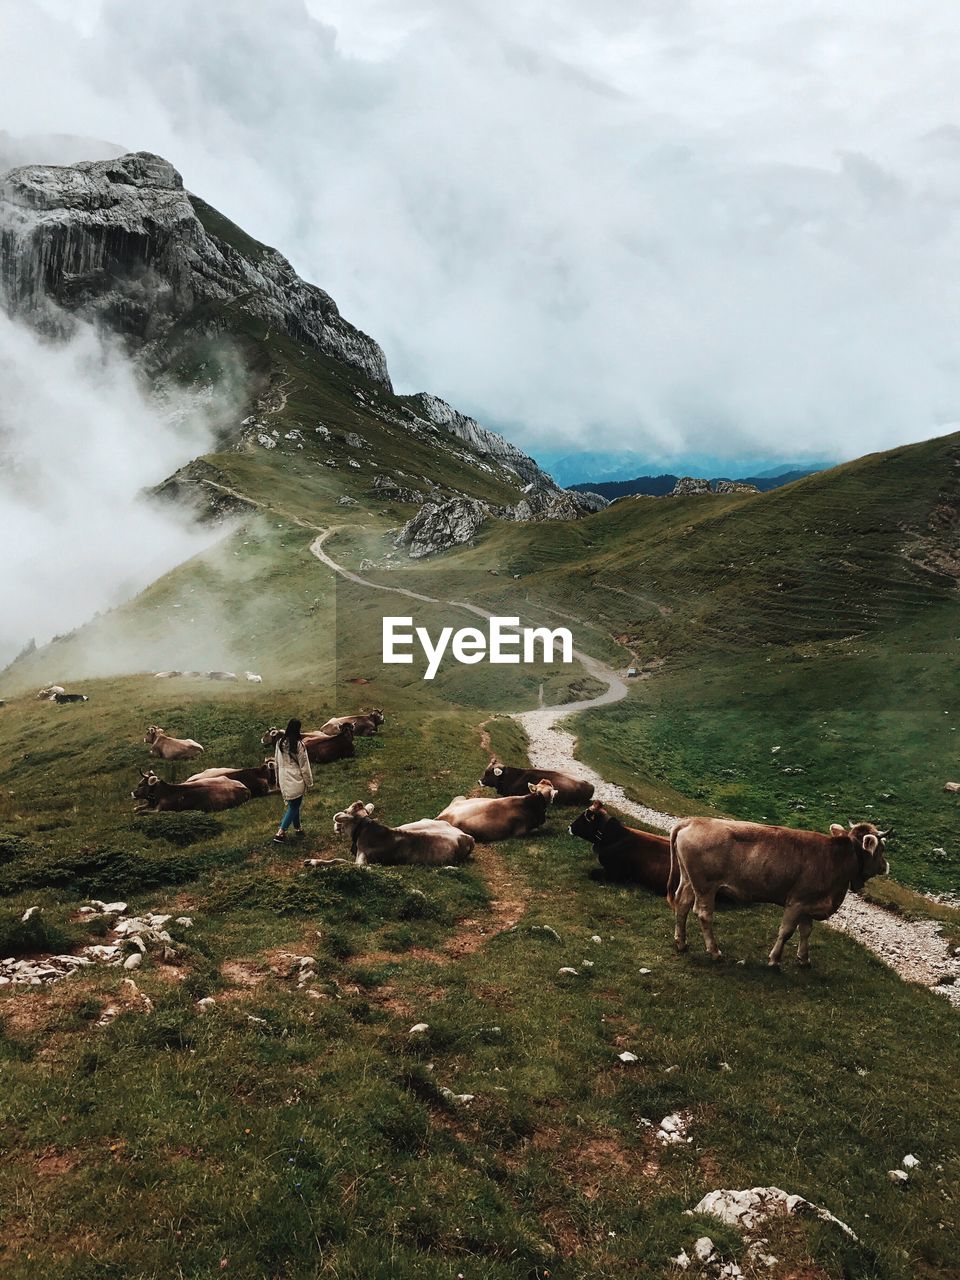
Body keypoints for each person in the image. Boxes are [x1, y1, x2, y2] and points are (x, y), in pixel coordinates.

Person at [273, 718, 313, 842]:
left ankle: (298, 828)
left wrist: (277, 779)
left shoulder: (279, 742)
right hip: (296, 778)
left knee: (294, 804)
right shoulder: (299, 744)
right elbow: (304, 766)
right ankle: (280, 832)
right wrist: (309, 782)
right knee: (294, 806)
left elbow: (276, 763)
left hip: (283, 776)